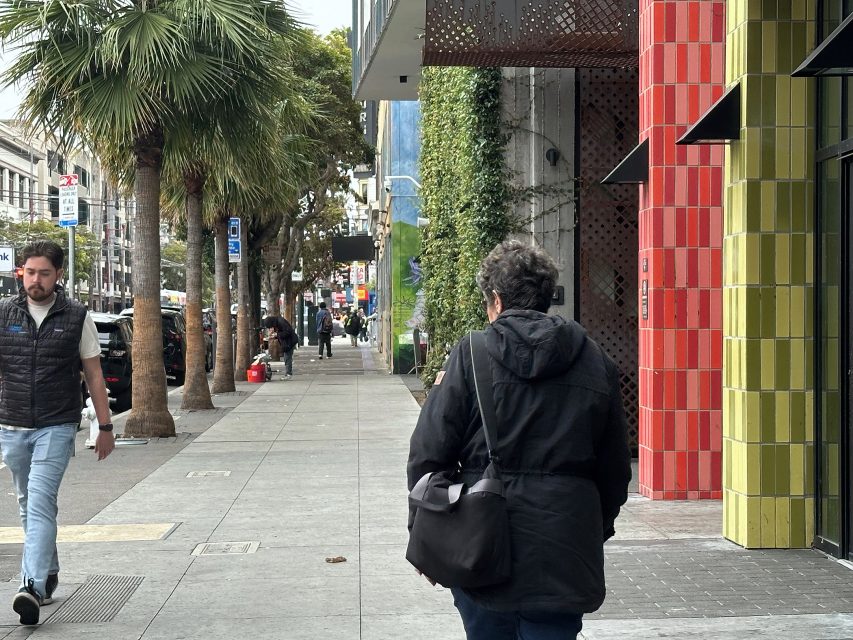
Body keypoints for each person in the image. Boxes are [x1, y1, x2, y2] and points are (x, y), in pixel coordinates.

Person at [407, 240, 631, 640]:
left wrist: (424, 530)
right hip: (566, 546)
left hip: (481, 545)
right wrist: (594, 527)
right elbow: (615, 469)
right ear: (545, 297)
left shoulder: (471, 355)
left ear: (495, 299)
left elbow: (429, 452)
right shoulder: (595, 360)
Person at [0, 240, 115, 626]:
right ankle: (47, 573)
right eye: (30, 272)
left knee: (39, 500)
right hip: (12, 424)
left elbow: (94, 375)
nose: (36, 280)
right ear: (21, 272)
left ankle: (30, 586)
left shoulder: (77, 317)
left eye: (44, 273)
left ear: (58, 275)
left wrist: (105, 426)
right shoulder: (4, 312)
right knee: (27, 502)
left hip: (57, 424)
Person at [262, 315, 298, 379]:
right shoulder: (277, 322)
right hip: (287, 342)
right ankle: (288, 373)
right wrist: (275, 336)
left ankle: (288, 374)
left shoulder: (281, 322)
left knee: (287, 357)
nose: (271, 328)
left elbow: (288, 332)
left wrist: (277, 334)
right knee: (287, 357)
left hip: (289, 341)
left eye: (270, 327)